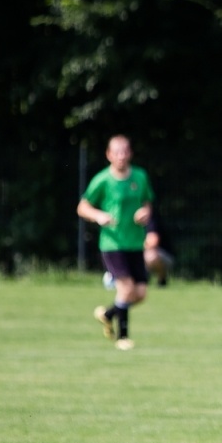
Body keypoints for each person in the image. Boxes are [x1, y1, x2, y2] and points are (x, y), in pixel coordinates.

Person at [77, 135, 155, 351]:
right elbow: (82, 207)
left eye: (124, 152)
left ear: (129, 154)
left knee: (140, 294)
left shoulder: (140, 176)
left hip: (135, 242)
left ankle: (108, 313)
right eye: (116, 152)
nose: (121, 156)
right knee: (127, 288)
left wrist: (145, 213)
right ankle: (123, 337)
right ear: (109, 155)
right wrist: (99, 216)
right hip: (112, 243)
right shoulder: (102, 180)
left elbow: (148, 203)